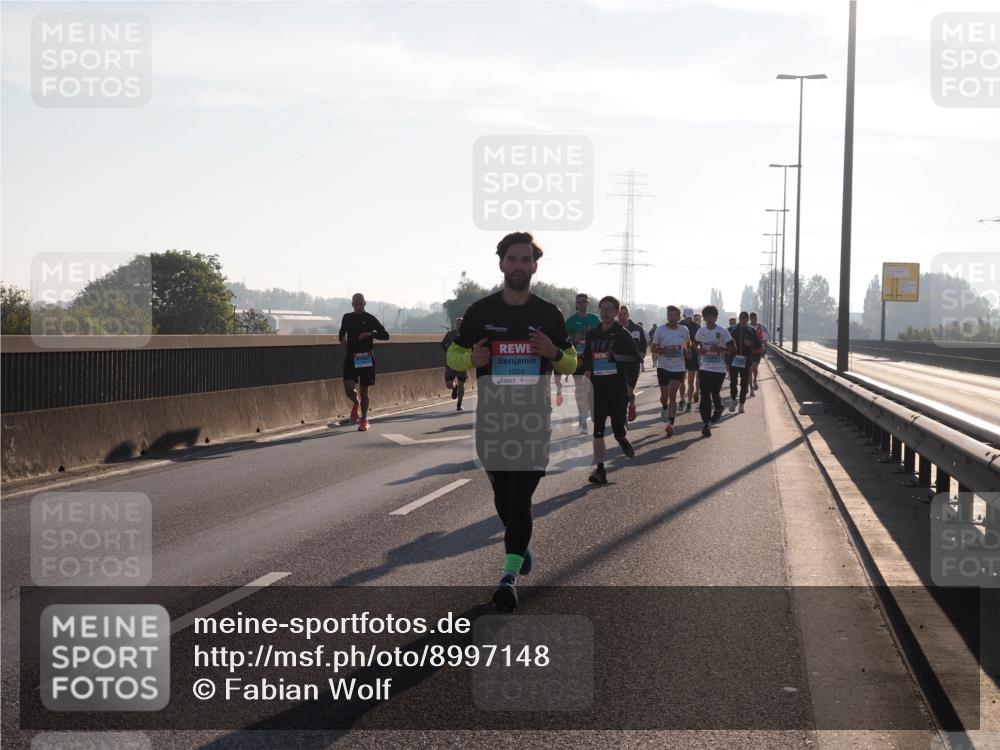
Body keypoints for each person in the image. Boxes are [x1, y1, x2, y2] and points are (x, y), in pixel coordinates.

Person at [446, 232, 577, 612]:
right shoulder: (481, 313)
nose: (519, 266)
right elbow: (454, 354)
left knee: (519, 499)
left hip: (534, 421)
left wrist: (553, 352)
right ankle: (520, 546)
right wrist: (472, 359)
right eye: (513, 259)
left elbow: (572, 362)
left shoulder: (549, 314)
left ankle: (508, 576)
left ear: (535, 265)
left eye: (526, 260)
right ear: (502, 263)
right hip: (493, 419)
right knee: (503, 498)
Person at [583, 296, 637, 485]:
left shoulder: (622, 334)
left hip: (617, 389)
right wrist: (586, 377)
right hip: (598, 390)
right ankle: (600, 470)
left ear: (616, 312)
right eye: (602, 309)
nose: (605, 312)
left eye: (609, 309)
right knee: (598, 429)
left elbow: (635, 359)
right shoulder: (592, 335)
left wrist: (617, 358)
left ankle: (621, 438)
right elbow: (587, 360)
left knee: (617, 429)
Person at [339, 293, 390, 431]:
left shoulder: (370, 319)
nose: (358, 306)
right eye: (356, 304)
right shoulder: (347, 317)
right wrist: (342, 339)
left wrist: (369, 334)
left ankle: (364, 419)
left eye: (360, 304)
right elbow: (341, 333)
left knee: (364, 390)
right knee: (348, 389)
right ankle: (356, 403)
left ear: (365, 303)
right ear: (352, 304)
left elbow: (385, 335)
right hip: (351, 356)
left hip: (365, 357)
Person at [563, 293, 601, 433]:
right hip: (578, 359)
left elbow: (601, 336)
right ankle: (582, 418)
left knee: (590, 389)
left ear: (588, 303)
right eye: (579, 302)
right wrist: (573, 339)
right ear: (576, 304)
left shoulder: (594, 319)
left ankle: (590, 412)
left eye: (584, 301)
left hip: (593, 359)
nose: (581, 304)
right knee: (581, 388)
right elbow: (563, 339)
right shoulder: (571, 321)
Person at [695, 305, 735, 437]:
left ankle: (719, 407)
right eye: (707, 316)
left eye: (712, 316)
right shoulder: (701, 331)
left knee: (715, 393)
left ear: (716, 317)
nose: (710, 318)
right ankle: (706, 423)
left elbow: (733, 347)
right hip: (705, 367)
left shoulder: (722, 331)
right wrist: (699, 349)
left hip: (719, 369)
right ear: (704, 318)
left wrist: (721, 350)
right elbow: (695, 343)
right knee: (704, 395)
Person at [650, 305, 689, 437]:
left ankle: (670, 424)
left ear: (679, 317)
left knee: (673, 395)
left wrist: (687, 351)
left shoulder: (684, 330)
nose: (672, 318)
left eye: (674, 315)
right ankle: (664, 408)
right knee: (664, 396)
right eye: (669, 315)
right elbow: (653, 348)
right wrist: (665, 351)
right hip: (663, 367)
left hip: (678, 367)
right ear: (667, 317)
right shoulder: (660, 330)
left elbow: (687, 344)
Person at [616, 305, 646, 422]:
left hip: (633, 364)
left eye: (624, 314)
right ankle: (623, 415)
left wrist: (641, 356)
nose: (622, 316)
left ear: (628, 315)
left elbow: (643, 345)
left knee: (629, 391)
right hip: (618, 364)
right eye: (619, 314)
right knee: (620, 391)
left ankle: (632, 406)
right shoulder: (614, 328)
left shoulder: (637, 328)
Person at [728, 312, 761, 413]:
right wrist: (727, 360)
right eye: (741, 318)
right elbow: (726, 343)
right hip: (734, 359)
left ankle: (742, 403)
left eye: (745, 319)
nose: (743, 320)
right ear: (739, 319)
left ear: (747, 320)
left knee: (744, 382)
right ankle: (733, 399)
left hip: (746, 360)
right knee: (733, 381)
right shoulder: (732, 330)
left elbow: (758, 345)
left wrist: (750, 343)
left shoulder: (751, 330)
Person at [440, 317, 467, 411]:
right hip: (451, 363)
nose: (459, 325)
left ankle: (459, 404)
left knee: (462, 384)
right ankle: (454, 388)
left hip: (462, 363)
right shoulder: (450, 334)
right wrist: (448, 351)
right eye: (457, 324)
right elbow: (442, 344)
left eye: (461, 324)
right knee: (449, 384)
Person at [678, 307, 701, 411]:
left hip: (693, 355)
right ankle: (682, 399)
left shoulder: (696, 326)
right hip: (681, 355)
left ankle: (689, 403)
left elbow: (699, 341)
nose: (689, 320)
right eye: (687, 318)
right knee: (681, 380)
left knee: (691, 381)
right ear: (683, 316)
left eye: (690, 318)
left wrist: (695, 350)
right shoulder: (679, 325)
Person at [748, 311, 770, 394]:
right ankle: (751, 389)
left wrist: (764, 343)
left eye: (756, 318)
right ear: (750, 318)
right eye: (753, 318)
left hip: (758, 350)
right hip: (749, 351)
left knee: (754, 367)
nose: (755, 320)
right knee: (750, 370)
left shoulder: (762, 326)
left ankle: (754, 380)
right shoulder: (747, 326)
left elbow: (768, 335)